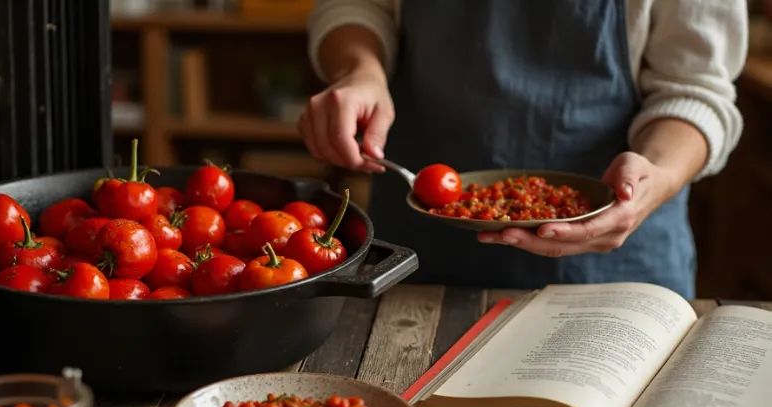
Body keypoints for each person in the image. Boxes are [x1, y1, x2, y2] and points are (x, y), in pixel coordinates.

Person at [298, 0, 748, 299]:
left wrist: (659, 173)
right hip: (418, 261)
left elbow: (694, 86)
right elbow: (356, 5)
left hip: (615, 268)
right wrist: (360, 70)